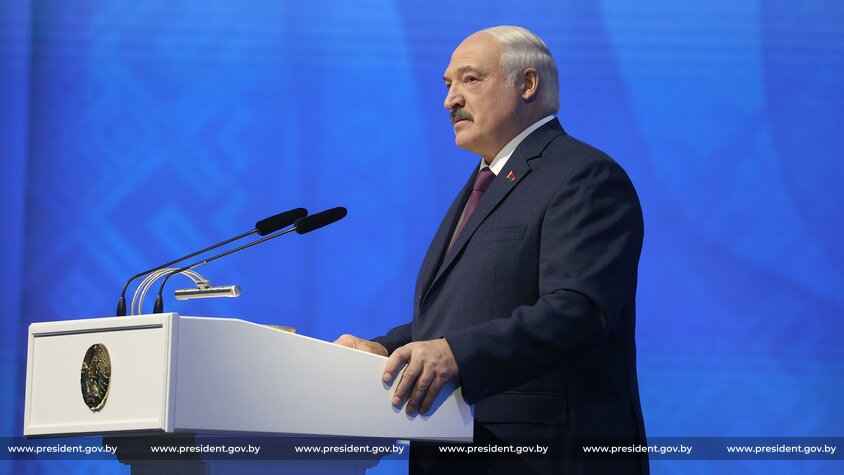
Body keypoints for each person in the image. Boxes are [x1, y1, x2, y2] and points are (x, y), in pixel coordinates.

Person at [335, 25, 647, 474]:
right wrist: (384, 351)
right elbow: (466, 316)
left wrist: (458, 355)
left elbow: (577, 310)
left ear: (527, 84)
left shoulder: (584, 176)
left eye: (470, 79)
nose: (450, 100)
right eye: (448, 85)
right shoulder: (486, 182)